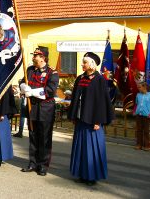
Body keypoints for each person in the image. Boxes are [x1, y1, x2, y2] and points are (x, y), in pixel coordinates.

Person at [67, 52, 115, 186]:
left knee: (91, 149)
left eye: (84, 62)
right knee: (81, 148)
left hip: (93, 121)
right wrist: (73, 115)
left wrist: (98, 121)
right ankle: (82, 174)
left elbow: (101, 102)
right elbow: (75, 98)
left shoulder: (99, 80)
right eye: (82, 62)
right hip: (81, 118)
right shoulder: (80, 78)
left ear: (92, 65)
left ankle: (92, 176)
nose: (82, 64)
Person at [19, 46, 59, 176]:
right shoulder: (30, 69)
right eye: (34, 55)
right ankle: (32, 162)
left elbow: (50, 90)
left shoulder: (52, 73)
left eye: (36, 55)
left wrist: (33, 92)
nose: (34, 57)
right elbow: (22, 81)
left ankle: (43, 165)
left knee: (44, 138)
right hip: (32, 108)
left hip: (45, 109)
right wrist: (23, 86)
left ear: (43, 58)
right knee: (33, 136)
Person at [134, 81, 150, 151]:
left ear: (144, 87)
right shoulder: (138, 95)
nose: (138, 88)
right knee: (139, 130)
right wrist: (134, 111)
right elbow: (136, 104)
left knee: (146, 131)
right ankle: (139, 144)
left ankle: (146, 145)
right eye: (138, 87)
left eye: (139, 87)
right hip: (138, 115)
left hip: (146, 116)